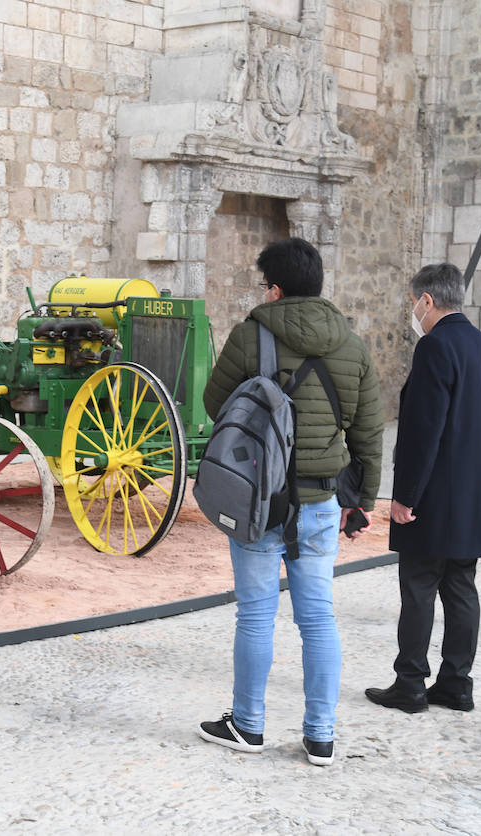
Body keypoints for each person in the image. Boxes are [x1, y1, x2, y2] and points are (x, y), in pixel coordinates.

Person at [198, 237, 384, 766]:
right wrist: (363, 498)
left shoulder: (252, 334)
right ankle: (321, 736)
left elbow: (217, 404)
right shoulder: (351, 344)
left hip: (260, 499)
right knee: (318, 618)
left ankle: (248, 725)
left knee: (256, 617)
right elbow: (369, 432)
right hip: (324, 502)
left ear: (274, 287)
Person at [366, 263, 481, 714]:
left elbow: (422, 429)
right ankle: (456, 684)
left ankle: (410, 684)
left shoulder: (435, 347)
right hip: (473, 493)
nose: (413, 309)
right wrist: (472, 460)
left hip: (433, 494)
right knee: (461, 587)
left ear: (427, 300)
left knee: (418, 585)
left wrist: (405, 496)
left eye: (414, 301)